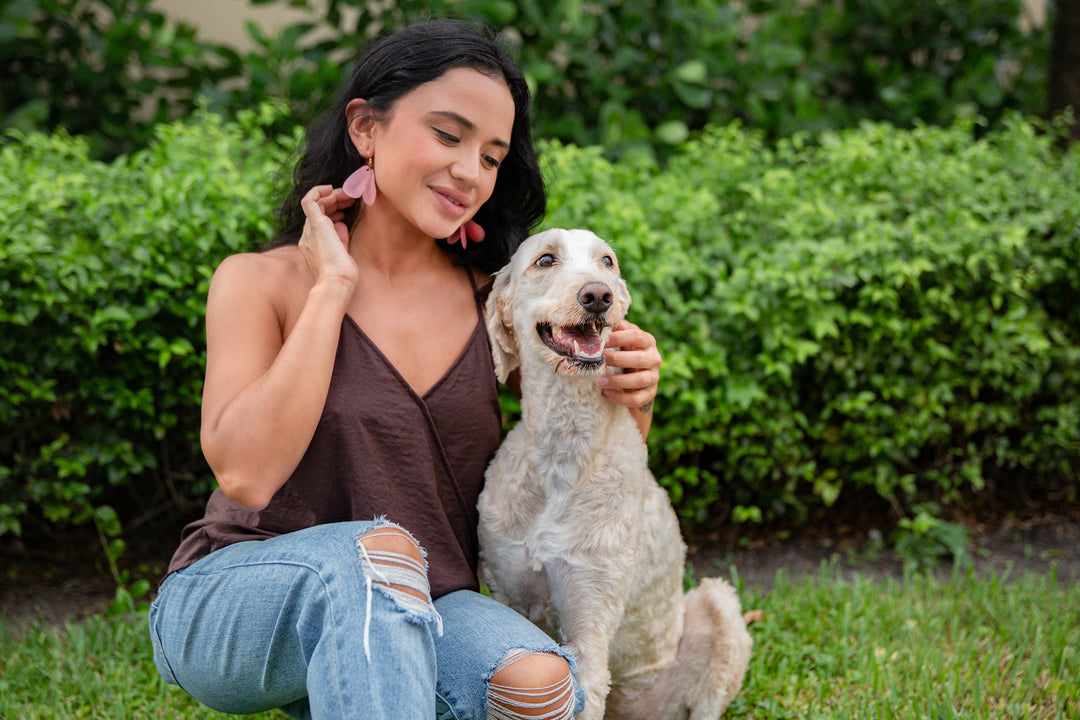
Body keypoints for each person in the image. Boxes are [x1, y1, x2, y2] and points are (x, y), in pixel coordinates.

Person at [147, 18, 662, 720]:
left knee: (543, 688)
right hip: (238, 600)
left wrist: (634, 393)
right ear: (365, 127)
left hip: (428, 607)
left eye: (491, 156)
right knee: (375, 557)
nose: (470, 172)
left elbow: (586, 466)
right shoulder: (256, 283)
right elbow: (247, 474)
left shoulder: (501, 304)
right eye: (448, 136)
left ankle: (344, 686)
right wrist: (331, 286)